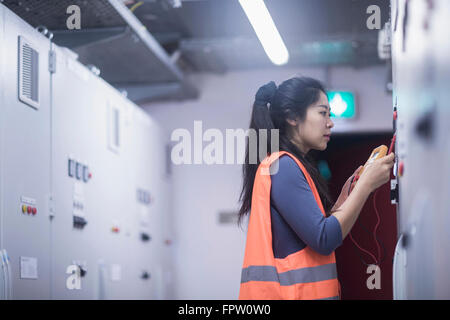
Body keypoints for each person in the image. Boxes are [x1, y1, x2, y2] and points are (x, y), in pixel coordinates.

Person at [238, 77, 395, 300]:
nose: (330, 122)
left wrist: (343, 200)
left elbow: (315, 231)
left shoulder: (291, 165)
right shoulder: (283, 166)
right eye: (323, 113)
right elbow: (324, 238)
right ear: (292, 117)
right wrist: (366, 185)